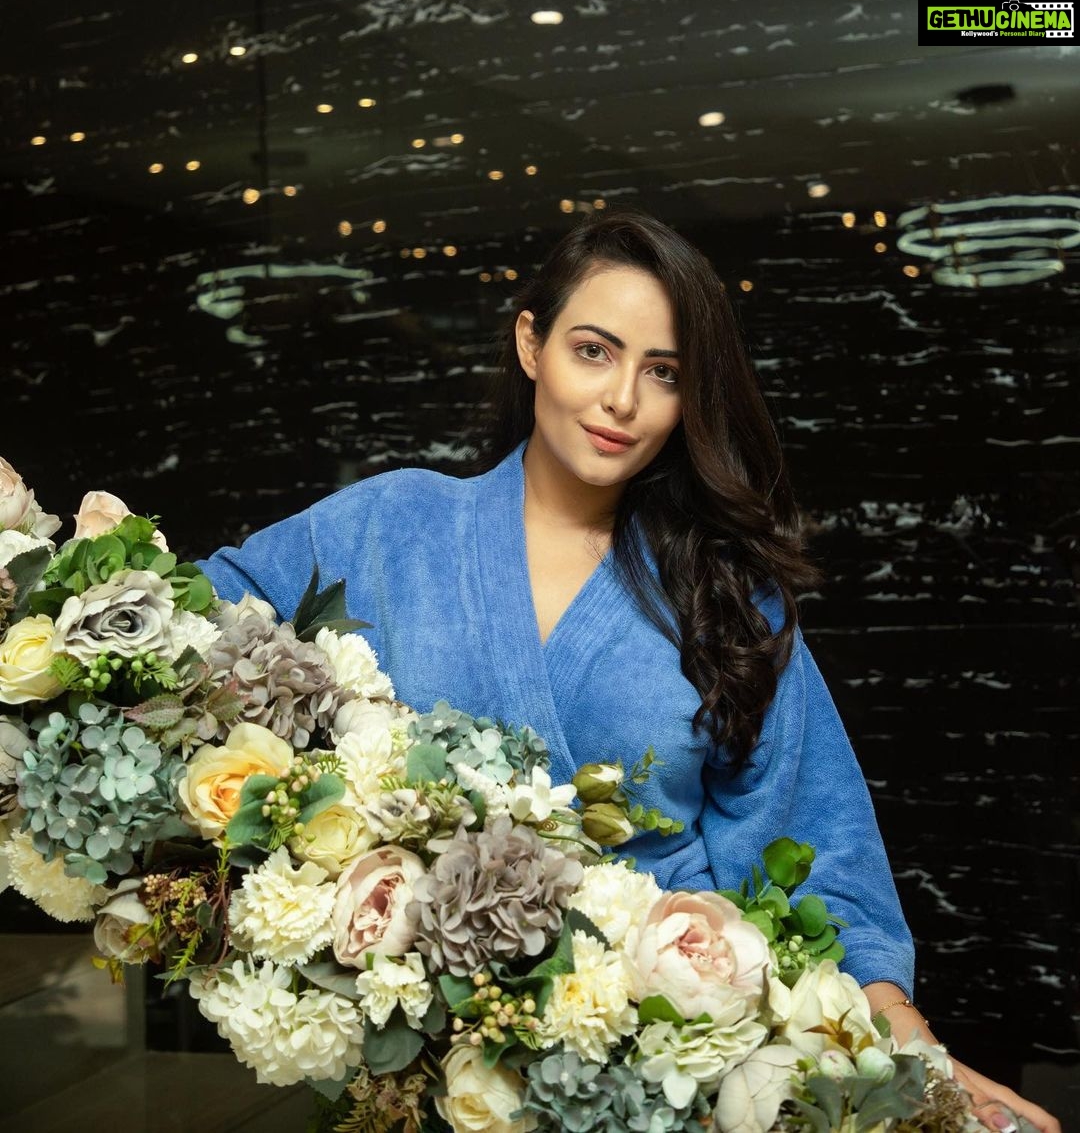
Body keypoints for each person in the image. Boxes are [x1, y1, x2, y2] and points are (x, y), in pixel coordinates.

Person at [199, 209, 1058, 1133]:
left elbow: (817, 842)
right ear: (531, 344)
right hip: (425, 1071)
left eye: (664, 373)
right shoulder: (390, 524)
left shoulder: (726, 596)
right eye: (594, 352)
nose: (622, 401)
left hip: (666, 1071)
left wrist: (912, 1051)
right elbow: (192, 626)